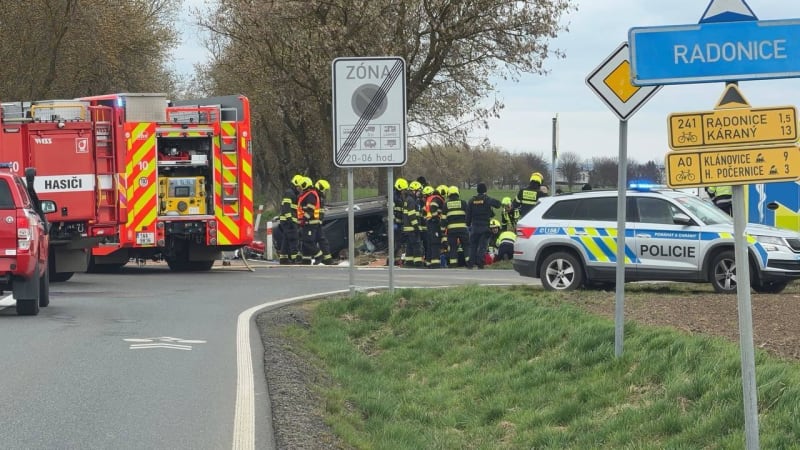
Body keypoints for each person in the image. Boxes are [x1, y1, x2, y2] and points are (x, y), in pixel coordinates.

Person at [466, 182, 501, 269]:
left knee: (473, 246)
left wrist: (468, 224)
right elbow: (498, 204)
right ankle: (480, 263)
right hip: (484, 227)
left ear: (477, 190)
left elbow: (468, 215)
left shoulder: (471, 201)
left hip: (474, 227)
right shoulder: (487, 199)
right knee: (482, 246)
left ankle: (470, 264)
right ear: (485, 190)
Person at [297, 177, 324, 265]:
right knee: (305, 242)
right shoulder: (306, 194)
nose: (300, 188)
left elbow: (310, 210)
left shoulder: (311, 195)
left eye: (301, 186)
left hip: (310, 222)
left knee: (308, 241)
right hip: (306, 222)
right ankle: (306, 260)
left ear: (305, 185)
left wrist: (304, 220)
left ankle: (319, 255)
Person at [441, 185, 469, 268]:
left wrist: (442, 230)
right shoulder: (463, 203)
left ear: (449, 194)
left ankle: (453, 264)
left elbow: (443, 219)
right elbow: (468, 216)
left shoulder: (446, 205)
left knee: (453, 247)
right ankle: (469, 262)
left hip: (452, 230)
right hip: (463, 229)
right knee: (466, 245)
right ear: (457, 193)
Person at [278, 174, 303, 264]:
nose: (300, 188)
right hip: (288, 220)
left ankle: (283, 258)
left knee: (286, 238)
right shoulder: (290, 193)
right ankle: (295, 258)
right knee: (293, 238)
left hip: (288, 220)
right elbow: (286, 207)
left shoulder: (293, 193)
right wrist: (290, 220)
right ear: (295, 184)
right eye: (299, 186)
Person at [401, 180, 424, 267]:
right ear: (414, 190)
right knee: (416, 245)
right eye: (418, 191)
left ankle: (409, 262)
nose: (419, 193)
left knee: (410, 246)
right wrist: (416, 226)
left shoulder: (408, 199)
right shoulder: (411, 200)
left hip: (408, 229)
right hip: (412, 228)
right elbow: (412, 215)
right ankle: (418, 263)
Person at [422, 185, 445, 268]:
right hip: (434, 223)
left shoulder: (429, 199)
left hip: (429, 223)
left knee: (430, 243)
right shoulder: (437, 198)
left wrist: (426, 219)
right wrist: (436, 218)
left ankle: (429, 262)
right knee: (435, 243)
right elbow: (433, 207)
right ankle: (435, 263)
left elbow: (424, 211)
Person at [313, 179, 335, 265]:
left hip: (317, 222)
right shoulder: (315, 196)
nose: (325, 192)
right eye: (324, 189)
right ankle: (320, 258)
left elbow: (320, 211)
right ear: (321, 188)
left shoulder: (319, 196)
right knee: (311, 241)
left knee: (322, 241)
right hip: (313, 223)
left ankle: (327, 259)